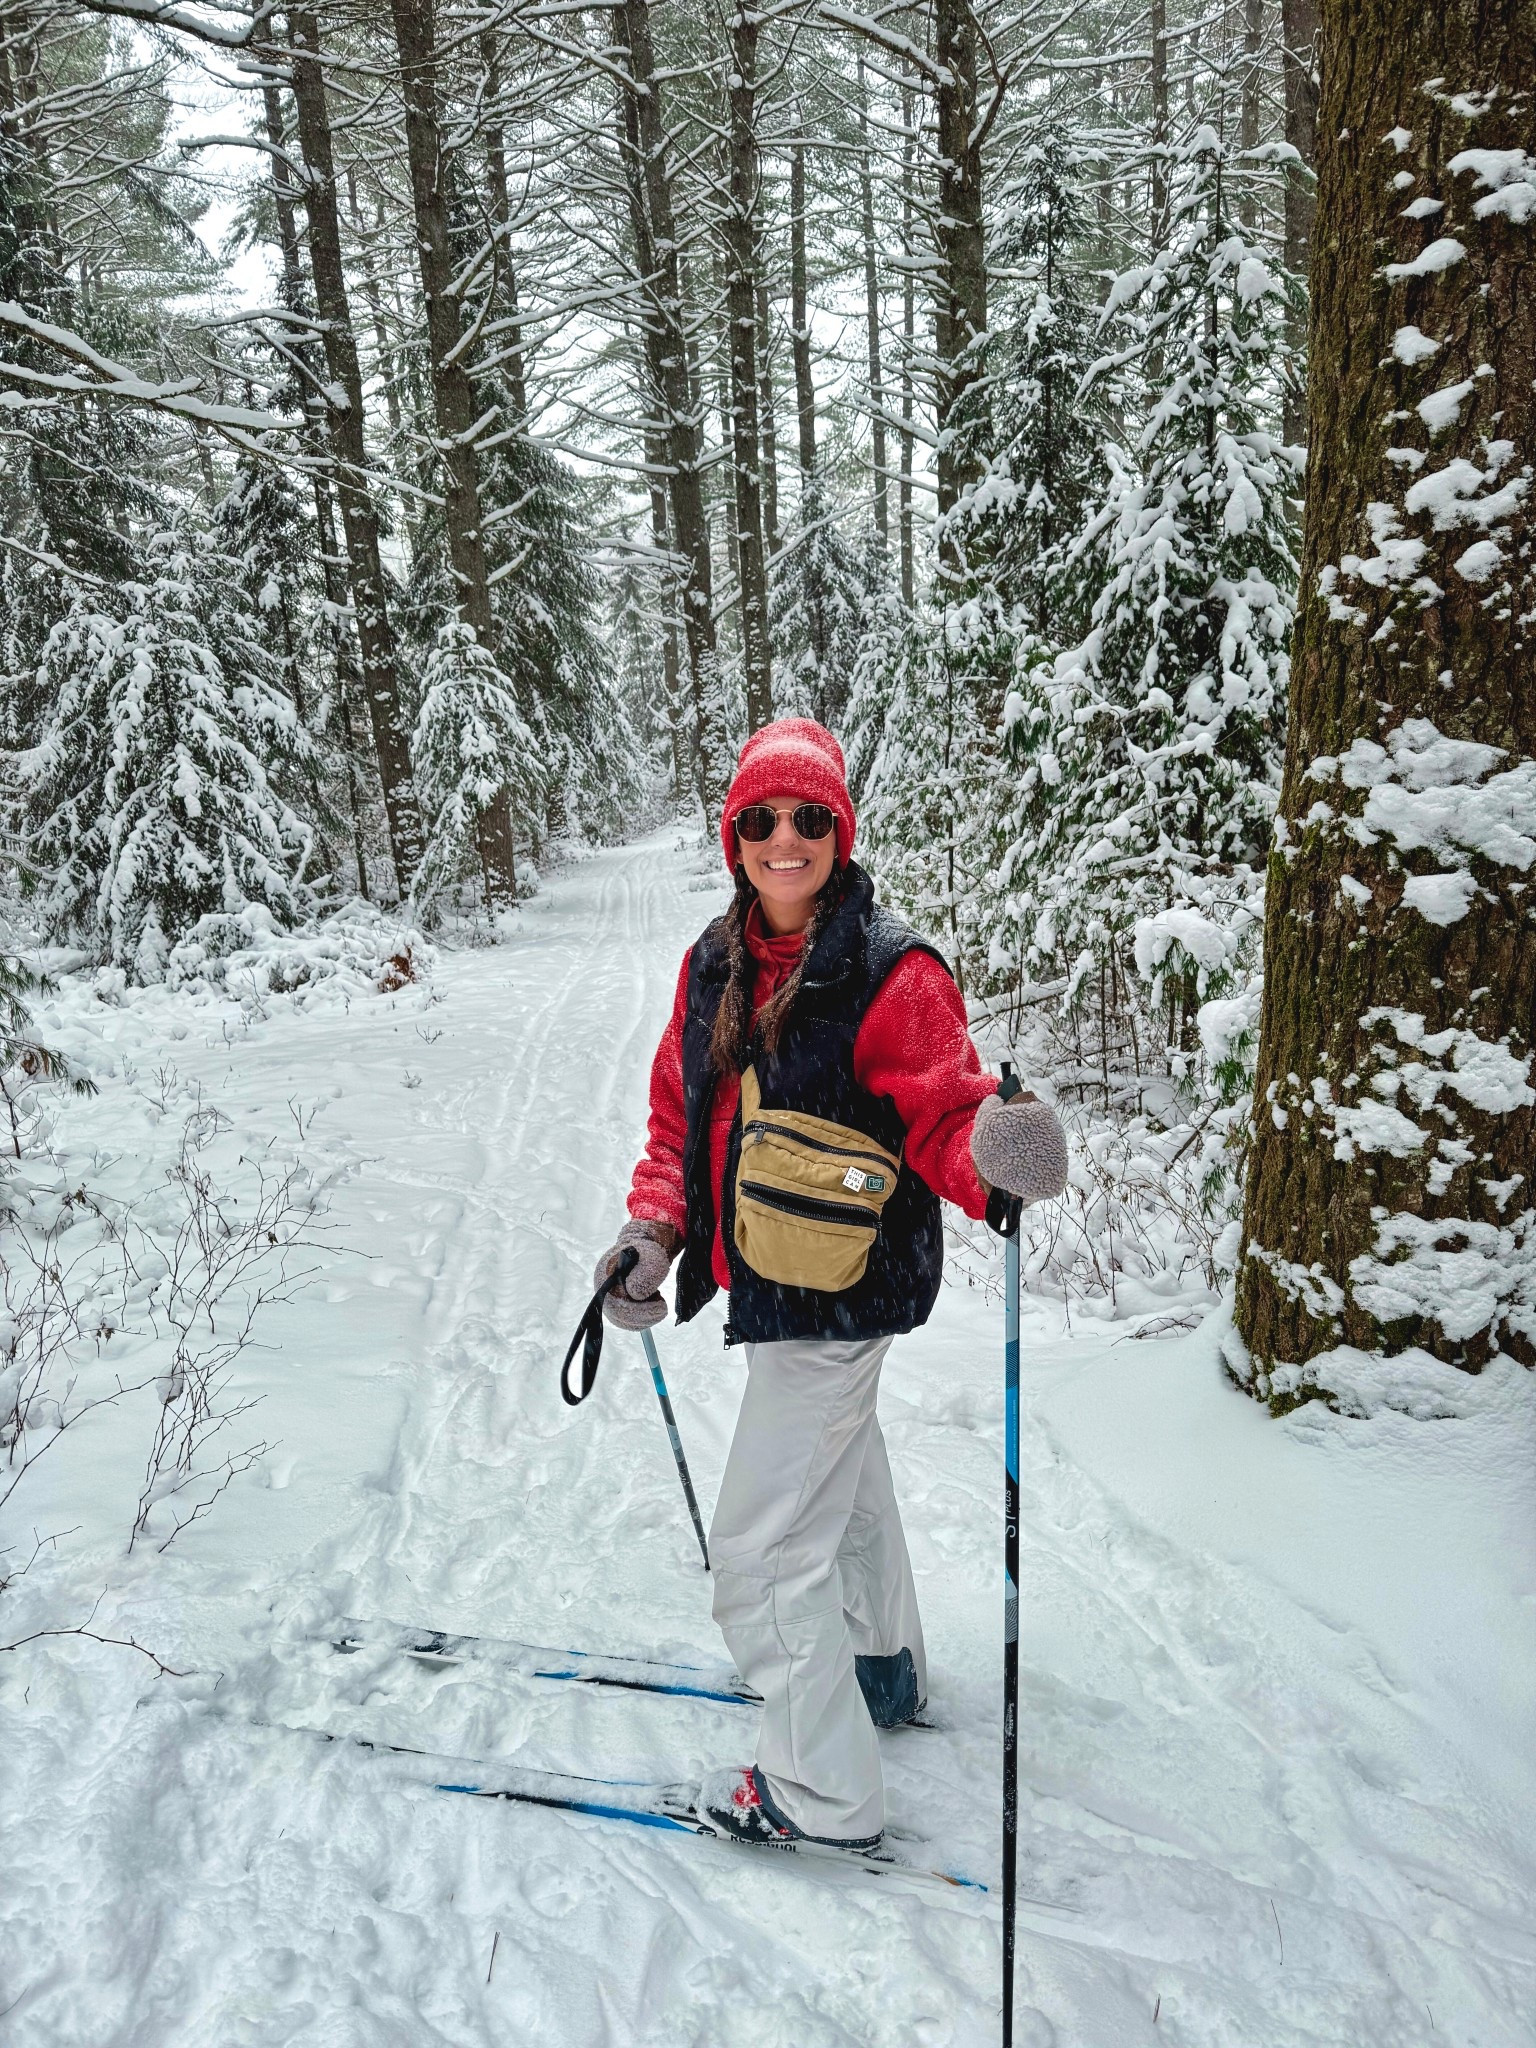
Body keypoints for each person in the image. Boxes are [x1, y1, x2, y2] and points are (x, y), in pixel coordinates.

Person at [593, 718, 1067, 1852]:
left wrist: (995, 1153)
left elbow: (945, 1110)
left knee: (760, 1553)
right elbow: (680, 1117)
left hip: (848, 1287)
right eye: (761, 818)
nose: (786, 838)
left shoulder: (892, 968)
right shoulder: (713, 964)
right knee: (841, 1482)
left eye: (810, 816)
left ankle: (820, 1793)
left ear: (840, 830)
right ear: (735, 837)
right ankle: (877, 1667)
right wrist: (655, 1230)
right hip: (775, 1282)